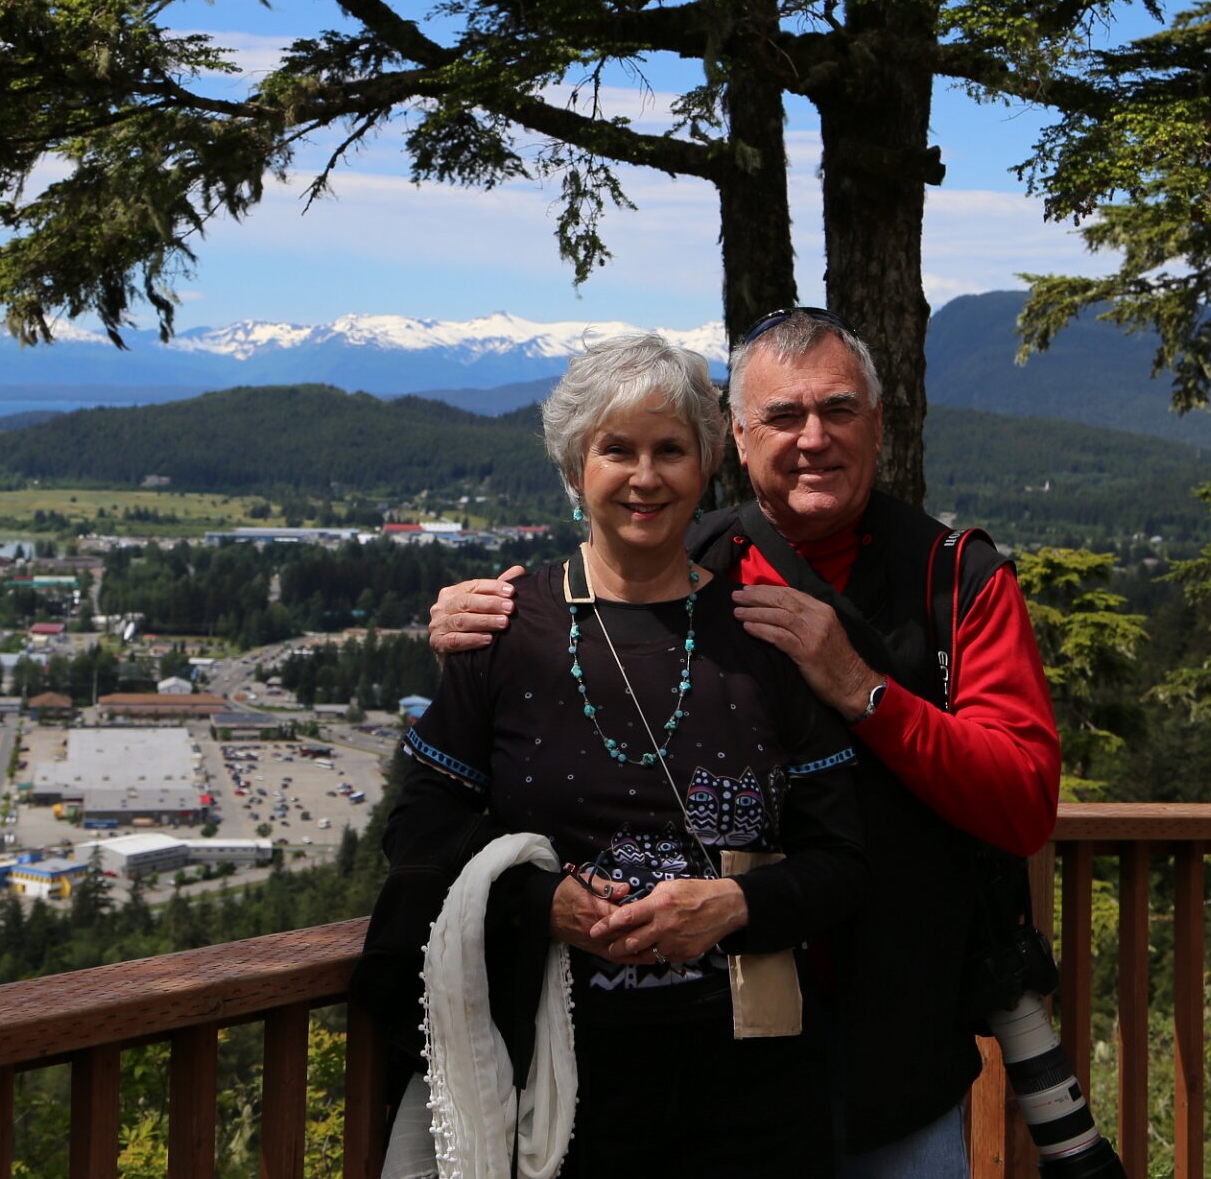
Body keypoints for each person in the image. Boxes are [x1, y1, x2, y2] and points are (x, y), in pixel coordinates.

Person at [428, 308, 1062, 1179]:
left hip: (894, 1030)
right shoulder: (685, 557)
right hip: (717, 1064)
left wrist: (861, 690)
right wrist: (471, 628)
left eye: (837, 410)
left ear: (879, 424)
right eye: (782, 416)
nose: (812, 439)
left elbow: (1022, 803)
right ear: (735, 436)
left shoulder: (954, 579)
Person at [362, 331, 871, 1178]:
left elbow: (843, 861)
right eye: (616, 450)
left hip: (750, 1099)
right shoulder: (506, 631)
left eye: (670, 449)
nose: (645, 477)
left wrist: (734, 906)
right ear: (575, 468)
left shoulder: (763, 639)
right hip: (549, 1091)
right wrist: (538, 902)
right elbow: (417, 825)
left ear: (706, 465)